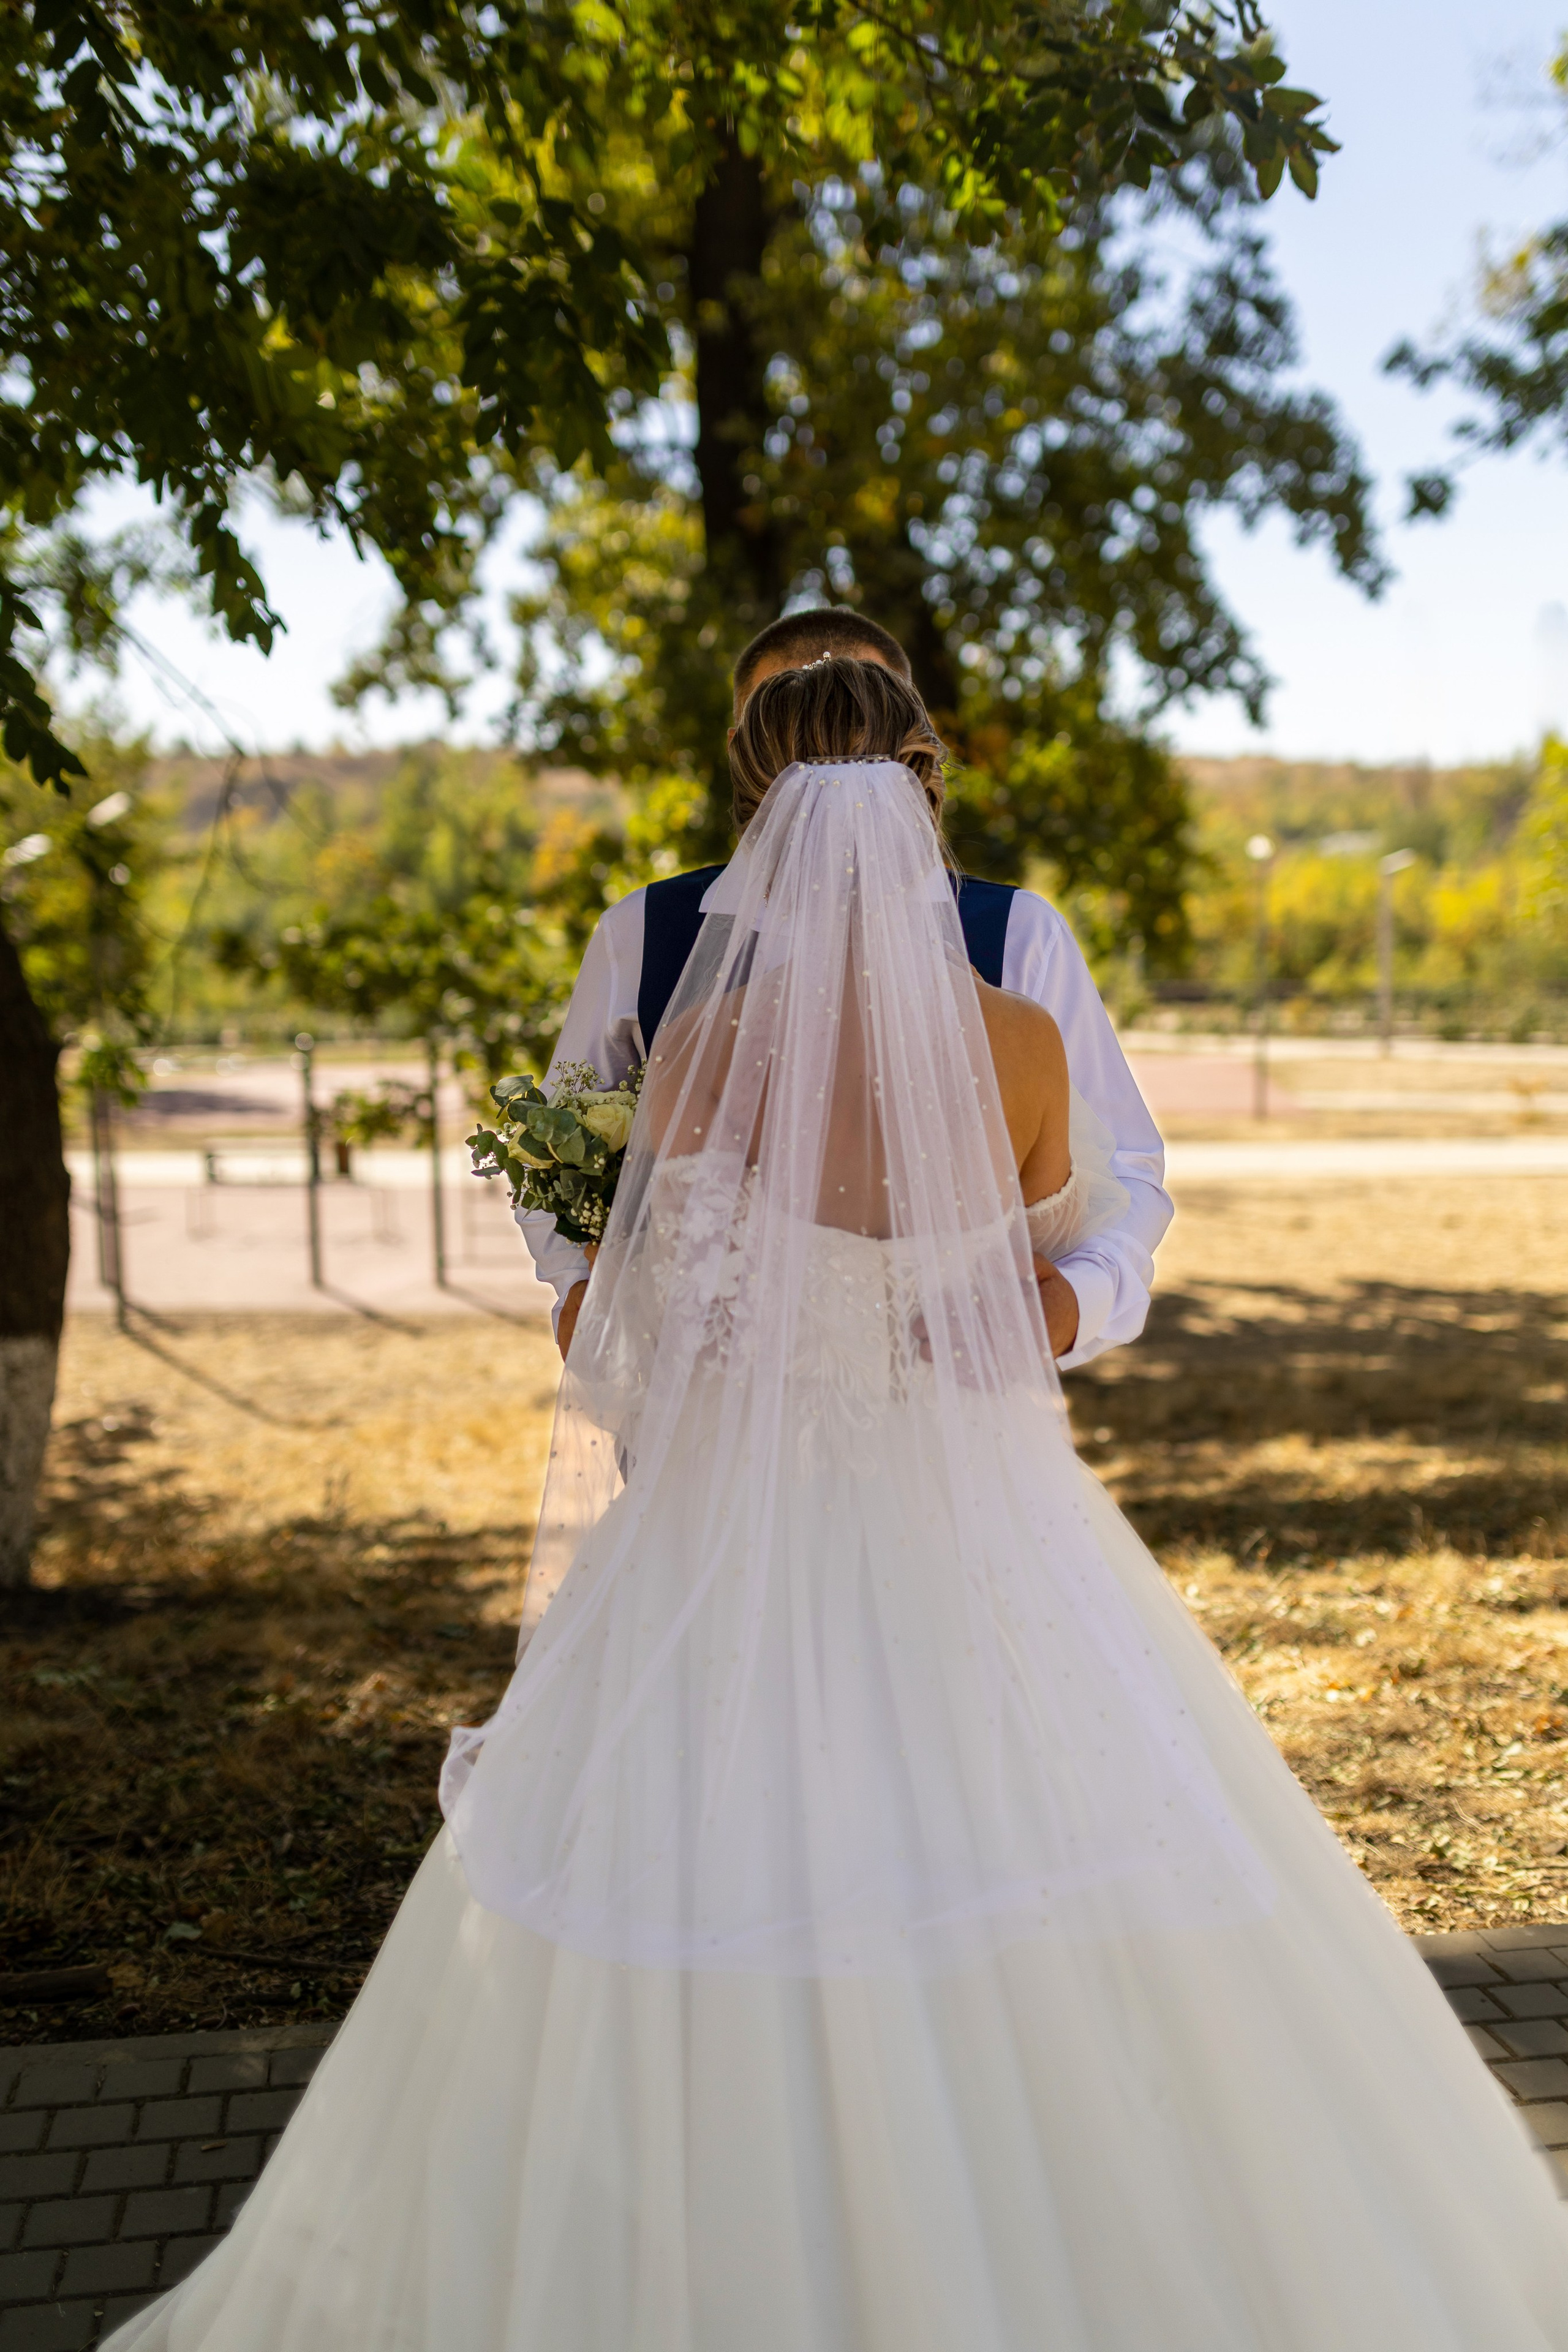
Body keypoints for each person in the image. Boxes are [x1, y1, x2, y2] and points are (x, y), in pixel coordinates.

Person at [106, 659, 1568, 2351]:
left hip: (737, 1526)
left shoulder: (716, 1037)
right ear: (923, 790)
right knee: (1003, 1835)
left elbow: (672, 1293)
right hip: (979, 1523)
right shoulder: (1009, 1043)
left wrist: (903, 1308)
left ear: (764, 808)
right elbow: (1051, 1205)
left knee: (723, 1841)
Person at [522, 605, 1169, 1371]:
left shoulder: (1020, 932)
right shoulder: (638, 933)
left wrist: (1074, 1307)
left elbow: (1126, 1173)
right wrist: (577, 1294)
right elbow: (555, 1161)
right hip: (745, 1433)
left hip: (873, 1430)